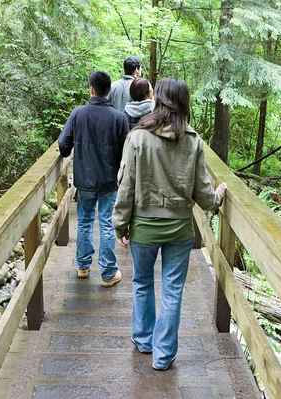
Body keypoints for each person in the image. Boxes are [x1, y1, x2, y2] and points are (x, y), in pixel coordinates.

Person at [112, 78, 227, 371]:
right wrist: (218, 198)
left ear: (158, 99)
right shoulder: (192, 140)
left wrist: (120, 226)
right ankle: (163, 357)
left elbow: (126, 186)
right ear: (184, 102)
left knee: (142, 282)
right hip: (179, 229)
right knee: (173, 289)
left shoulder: (138, 137)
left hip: (144, 228)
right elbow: (203, 193)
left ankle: (143, 340)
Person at [59, 70, 129, 287]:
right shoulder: (119, 118)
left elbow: (63, 146)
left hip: (84, 179)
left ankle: (82, 266)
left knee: (85, 221)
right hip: (109, 180)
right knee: (107, 224)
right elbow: (126, 153)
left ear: (91, 89)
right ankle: (108, 273)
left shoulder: (77, 114)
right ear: (109, 90)